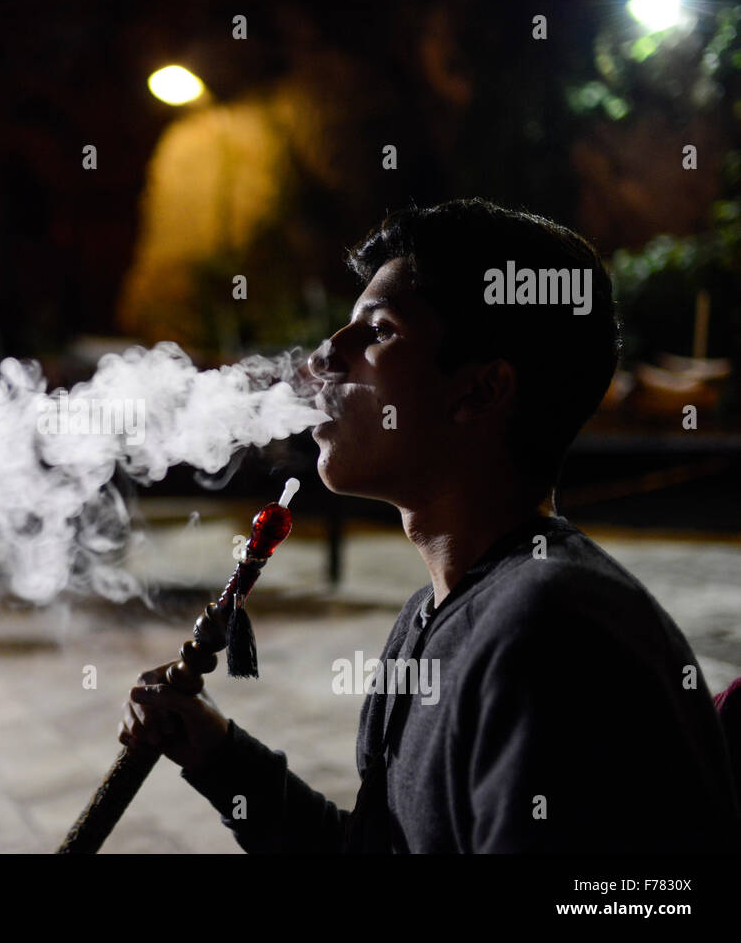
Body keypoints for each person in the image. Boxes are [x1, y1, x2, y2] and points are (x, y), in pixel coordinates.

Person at [120, 198, 741, 852]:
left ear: (480, 391)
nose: (322, 360)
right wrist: (219, 757)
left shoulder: (547, 633)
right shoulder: (435, 612)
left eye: (379, 331)